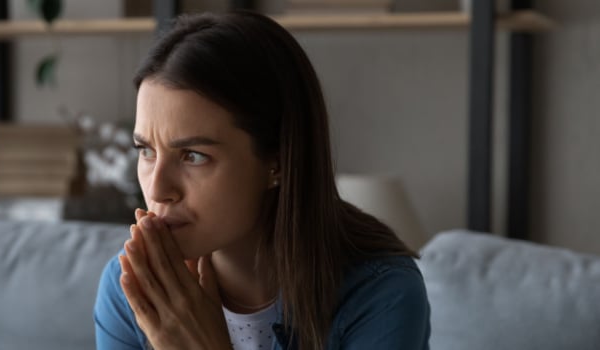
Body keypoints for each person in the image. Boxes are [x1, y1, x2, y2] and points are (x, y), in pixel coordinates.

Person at [93, 10, 430, 350]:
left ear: (278, 161)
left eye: (193, 156)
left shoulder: (380, 293)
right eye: (146, 151)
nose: (156, 189)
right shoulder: (130, 288)